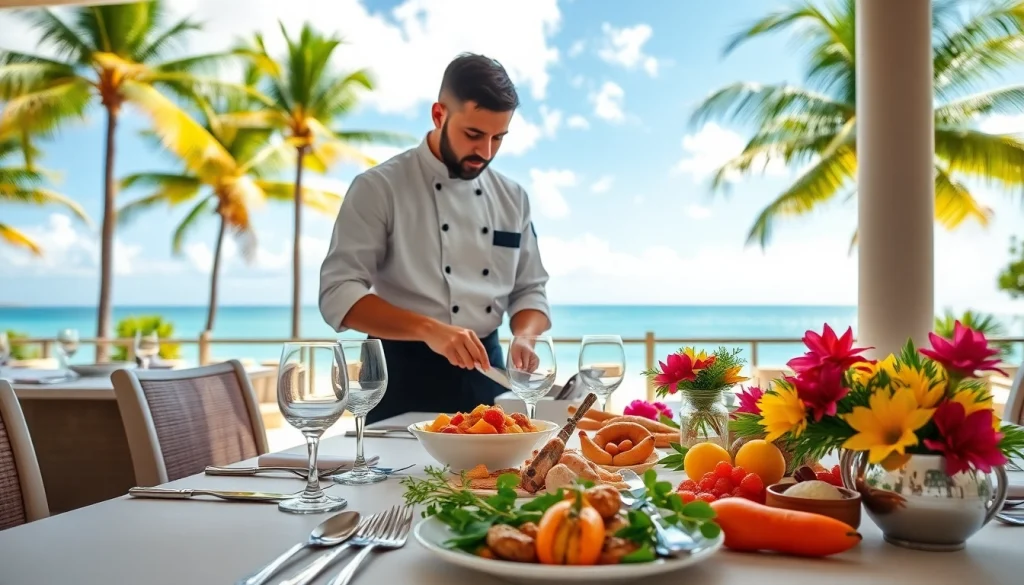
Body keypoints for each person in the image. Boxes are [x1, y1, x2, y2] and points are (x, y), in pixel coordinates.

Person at [318, 53, 552, 424]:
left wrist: (524, 336)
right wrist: (429, 329)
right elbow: (338, 293)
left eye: (498, 138)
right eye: (473, 135)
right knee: (404, 484)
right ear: (439, 114)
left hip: (487, 377)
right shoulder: (378, 187)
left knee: (491, 482)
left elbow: (530, 290)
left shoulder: (513, 197)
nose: (486, 152)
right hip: (401, 378)